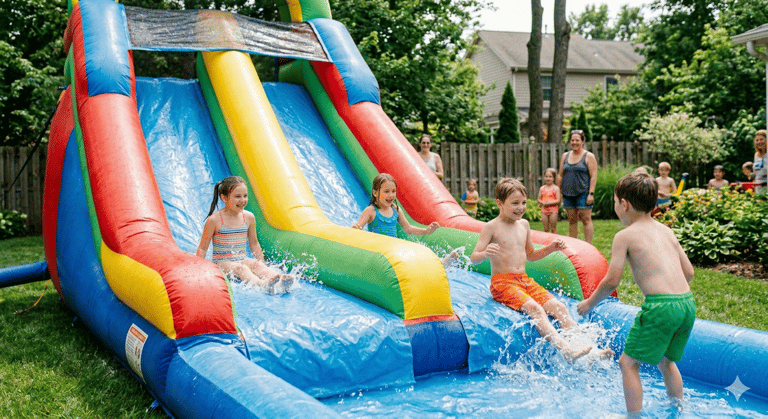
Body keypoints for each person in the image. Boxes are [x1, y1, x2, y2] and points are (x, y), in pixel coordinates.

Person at [577, 172, 695, 415]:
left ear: (624, 204)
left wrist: (589, 304)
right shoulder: (666, 231)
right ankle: (678, 409)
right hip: (686, 303)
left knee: (628, 363)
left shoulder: (625, 236)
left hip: (661, 307)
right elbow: (689, 272)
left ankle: (634, 416)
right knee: (666, 360)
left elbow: (611, 280)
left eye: (614, 201)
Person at [471, 178, 613, 361]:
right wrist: (484, 253)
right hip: (502, 283)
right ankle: (567, 350)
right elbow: (474, 258)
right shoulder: (492, 227)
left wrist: (551, 248)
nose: (520, 208)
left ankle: (590, 350)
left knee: (558, 306)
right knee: (534, 308)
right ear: (499, 203)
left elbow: (531, 255)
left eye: (523, 203)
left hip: (523, 280)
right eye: (514, 203)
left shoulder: (524, 225)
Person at [197, 176, 294, 294]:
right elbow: (203, 248)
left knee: (254, 264)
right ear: (224, 198)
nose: (242, 200)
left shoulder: (249, 217)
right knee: (241, 268)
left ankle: (280, 281)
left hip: (241, 259)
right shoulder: (215, 220)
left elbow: (254, 243)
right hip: (222, 263)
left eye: (245, 196)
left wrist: (260, 263)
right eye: (237, 196)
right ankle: (262, 285)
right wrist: (199, 269)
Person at [353, 173, 458, 268]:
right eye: (386, 191)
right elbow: (358, 227)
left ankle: (440, 263)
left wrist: (426, 231)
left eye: (393, 191)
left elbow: (408, 228)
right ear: (375, 193)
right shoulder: (371, 211)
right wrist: (356, 228)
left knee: (416, 251)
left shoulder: (395, 209)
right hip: (379, 251)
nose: (391, 195)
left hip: (393, 249)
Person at [557, 130, 598, 243]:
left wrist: (591, 193)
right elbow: (560, 175)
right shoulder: (565, 156)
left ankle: (588, 246)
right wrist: (558, 191)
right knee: (572, 221)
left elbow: (593, 175)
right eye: (572, 140)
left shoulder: (588, 156)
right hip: (567, 193)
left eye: (577, 140)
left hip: (583, 193)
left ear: (583, 141)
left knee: (586, 220)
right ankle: (574, 245)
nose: (574, 142)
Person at [537, 168, 561, 234]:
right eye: (546, 176)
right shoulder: (542, 188)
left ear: (554, 178)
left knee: (553, 228)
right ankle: (547, 243)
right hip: (544, 210)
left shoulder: (556, 188)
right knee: (546, 229)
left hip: (553, 210)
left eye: (550, 177)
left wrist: (548, 203)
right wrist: (541, 202)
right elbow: (538, 198)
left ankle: (556, 242)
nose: (548, 178)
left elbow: (558, 200)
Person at [754, 129, 767, 195]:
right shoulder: (756, 155)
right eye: (757, 140)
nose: (759, 142)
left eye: (761, 139)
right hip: (758, 188)